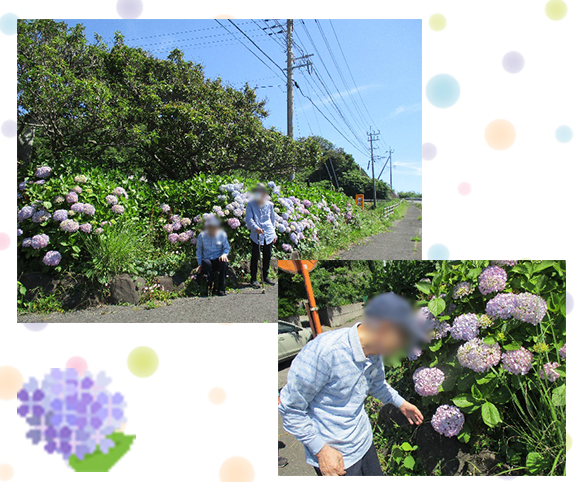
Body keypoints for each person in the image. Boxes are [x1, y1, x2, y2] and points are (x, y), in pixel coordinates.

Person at [279, 293, 425, 477]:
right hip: (335, 455)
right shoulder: (324, 352)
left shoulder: (374, 351)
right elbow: (290, 408)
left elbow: (376, 385)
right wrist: (321, 450)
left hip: (363, 442)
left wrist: (401, 403)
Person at [245, 183, 277, 288]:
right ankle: (253, 279)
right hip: (256, 234)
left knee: (267, 256)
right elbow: (249, 219)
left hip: (268, 233)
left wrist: (274, 233)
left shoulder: (269, 205)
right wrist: (255, 228)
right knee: (255, 256)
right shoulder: (250, 204)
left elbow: (272, 220)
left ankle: (266, 276)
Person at [195, 216, 230, 296]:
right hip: (208, 259)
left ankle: (221, 288)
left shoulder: (222, 235)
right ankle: (210, 286)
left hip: (218, 258)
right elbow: (199, 251)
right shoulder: (202, 236)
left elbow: (226, 247)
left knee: (224, 263)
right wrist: (199, 264)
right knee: (205, 263)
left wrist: (224, 254)